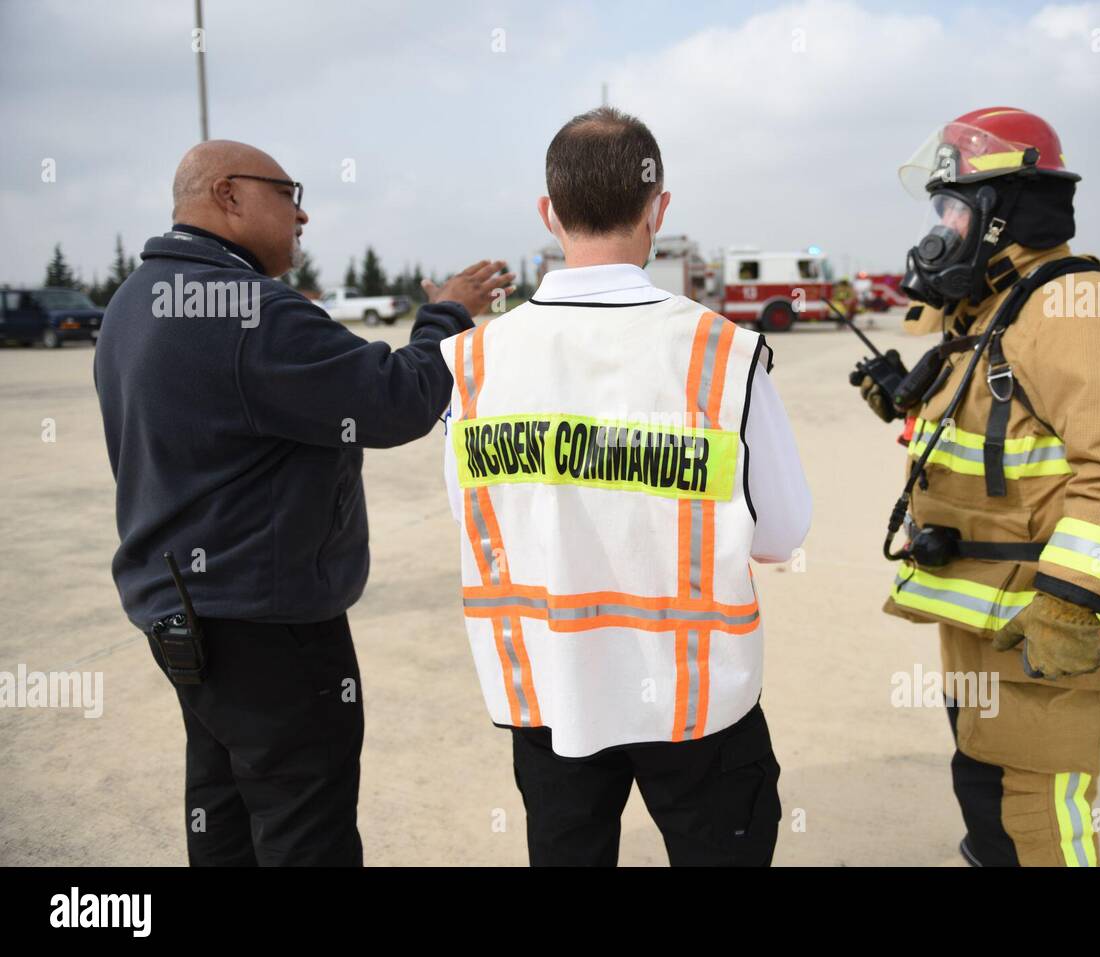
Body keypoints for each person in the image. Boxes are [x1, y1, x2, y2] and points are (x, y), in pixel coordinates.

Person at [94, 139, 513, 866]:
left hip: (183, 616)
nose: (304, 213)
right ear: (227, 193)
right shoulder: (248, 309)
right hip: (269, 626)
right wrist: (445, 313)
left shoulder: (135, 301)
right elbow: (394, 399)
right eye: (289, 193)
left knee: (223, 813)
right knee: (303, 828)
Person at [440, 107, 811, 866]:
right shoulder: (722, 353)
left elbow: (478, 517)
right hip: (697, 699)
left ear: (549, 213)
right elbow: (781, 533)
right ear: (658, 207)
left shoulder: (471, 361)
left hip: (548, 690)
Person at [859, 107, 1100, 866]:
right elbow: (982, 427)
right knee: (989, 793)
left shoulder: (1079, 308)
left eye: (952, 207)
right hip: (988, 614)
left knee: (1037, 814)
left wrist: (1071, 603)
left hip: (1049, 623)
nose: (940, 226)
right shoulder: (1000, 312)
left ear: (1000, 215)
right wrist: (901, 394)